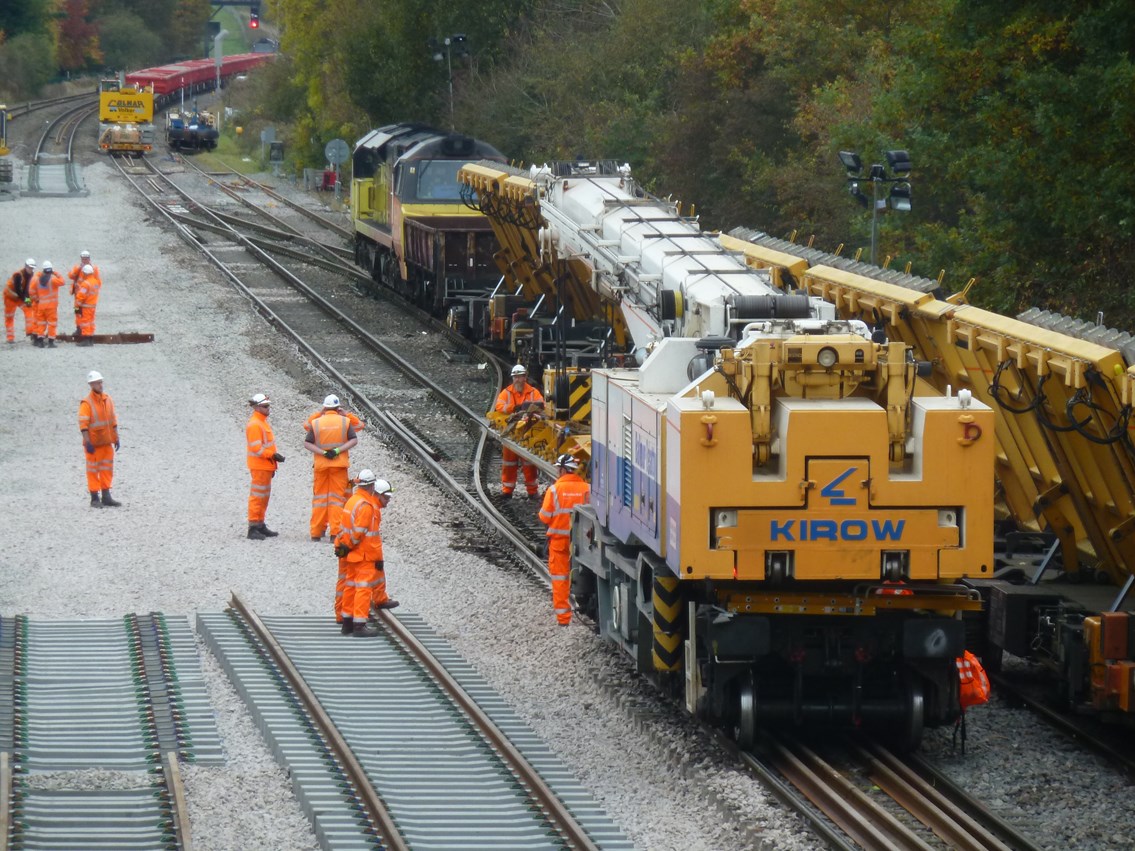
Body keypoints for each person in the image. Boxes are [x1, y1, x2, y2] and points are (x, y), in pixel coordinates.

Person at [334, 470, 398, 636]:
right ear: (371, 486)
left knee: (350, 587)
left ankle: (347, 623)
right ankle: (359, 625)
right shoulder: (366, 506)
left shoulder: (352, 501)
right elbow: (361, 532)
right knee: (363, 589)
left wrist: (342, 546)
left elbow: (343, 528)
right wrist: (348, 545)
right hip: (364, 555)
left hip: (352, 554)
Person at [538, 454, 591, 626]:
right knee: (583, 575)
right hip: (583, 543)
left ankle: (564, 619)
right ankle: (587, 611)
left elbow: (544, 517)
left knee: (560, 579)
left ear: (562, 469)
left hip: (560, 542)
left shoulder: (554, 490)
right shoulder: (587, 489)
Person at [303, 394, 360, 541]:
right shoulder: (345, 421)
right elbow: (356, 435)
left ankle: (316, 532)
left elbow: (307, 441)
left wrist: (323, 452)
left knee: (320, 498)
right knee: (337, 499)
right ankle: (335, 533)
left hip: (321, 465)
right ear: (338, 407)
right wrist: (337, 451)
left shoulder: (316, 422)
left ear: (324, 407)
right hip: (339, 465)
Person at [493, 364, 544, 498]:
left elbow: (541, 405)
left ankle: (532, 491)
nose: (517, 380)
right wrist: (513, 408)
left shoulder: (533, 392)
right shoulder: (507, 392)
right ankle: (507, 490)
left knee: (529, 464)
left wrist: (530, 411)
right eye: (515, 377)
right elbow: (499, 406)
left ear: (525, 377)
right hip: (511, 433)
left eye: (520, 377)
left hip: (528, 433)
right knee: (509, 463)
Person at [245, 393, 285, 539]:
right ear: (257, 407)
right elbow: (257, 448)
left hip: (265, 466)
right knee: (257, 497)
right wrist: (273, 456)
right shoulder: (255, 424)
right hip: (260, 466)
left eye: (268, 405)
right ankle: (253, 527)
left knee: (263, 497)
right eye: (265, 406)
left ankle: (260, 524)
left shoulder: (261, 422)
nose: (268, 408)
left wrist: (272, 463)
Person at [79, 370, 121, 508]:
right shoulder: (86, 403)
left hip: (106, 443)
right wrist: (88, 442)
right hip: (94, 444)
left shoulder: (108, 399)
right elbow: (83, 425)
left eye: (101, 382)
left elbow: (112, 420)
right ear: (91, 384)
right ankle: (94, 498)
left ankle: (106, 495)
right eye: (98, 382)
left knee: (107, 469)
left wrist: (116, 437)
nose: (100, 384)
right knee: (93, 470)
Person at [29, 260, 65, 348]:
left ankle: (40, 342)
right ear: (50, 270)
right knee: (52, 324)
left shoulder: (37, 280)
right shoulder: (53, 280)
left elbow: (31, 291)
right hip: (51, 307)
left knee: (41, 324)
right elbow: (62, 281)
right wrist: (56, 273)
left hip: (41, 305)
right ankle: (51, 342)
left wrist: (36, 299)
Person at [4, 258, 35, 344]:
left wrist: (28, 300)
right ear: (26, 267)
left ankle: (30, 332)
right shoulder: (18, 275)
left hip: (19, 297)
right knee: (9, 317)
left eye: (32, 268)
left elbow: (26, 289)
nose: (31, 269)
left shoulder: (31, 275)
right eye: (29, 267)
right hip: (10, 297)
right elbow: (18, 289)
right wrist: (25, 299)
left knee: (28, 309)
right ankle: (10, 338)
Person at [73, 264, 102, 345]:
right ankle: (90, 339)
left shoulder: (85, 284)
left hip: (86, 306)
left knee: (85, 322)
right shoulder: (95, 282)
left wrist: (76, 307)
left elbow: (80, 296)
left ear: (85, 273)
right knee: (91, 322)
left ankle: (86, 339)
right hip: (93, 306)